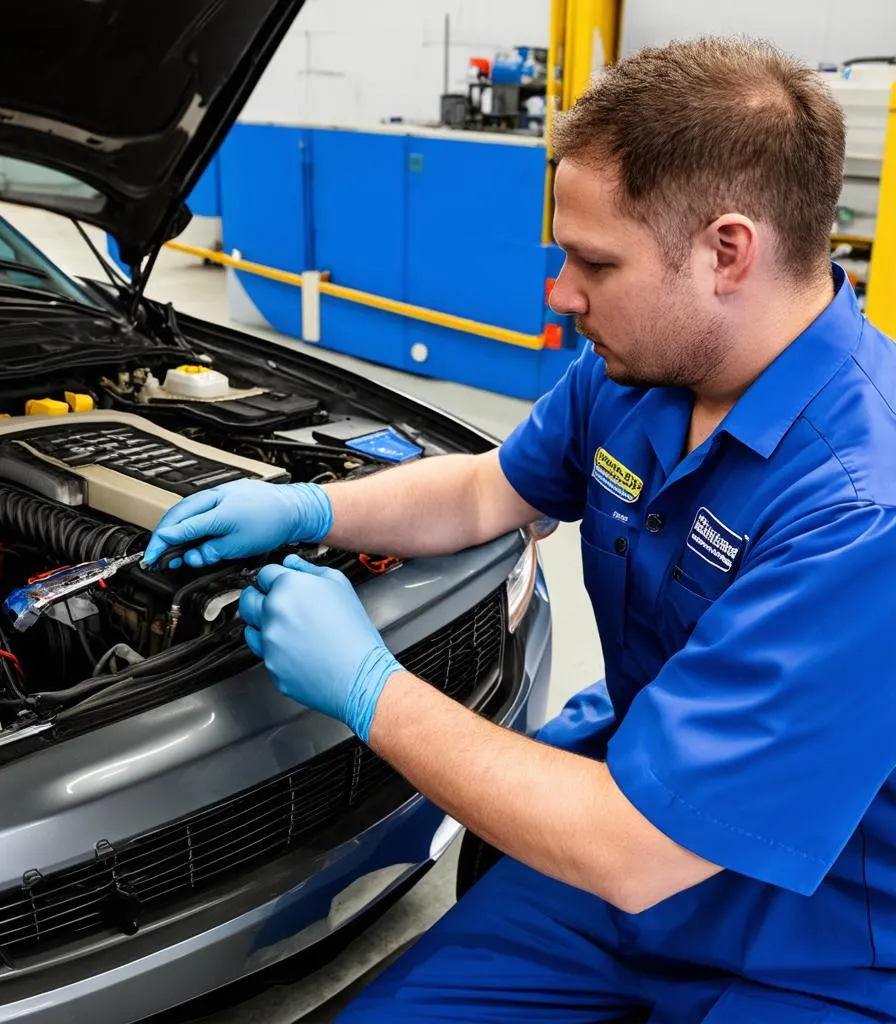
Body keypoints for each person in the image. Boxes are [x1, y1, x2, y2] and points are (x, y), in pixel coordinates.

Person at [143, 37, 896, 1023]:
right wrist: (310, 505)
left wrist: (368, 688)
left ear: (726, 252)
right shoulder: (637, 373)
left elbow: (635, 849)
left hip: (813, 938)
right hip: (616, 853)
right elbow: (486, 492)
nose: (561, 293)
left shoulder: (860, 509)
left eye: (593, 261)